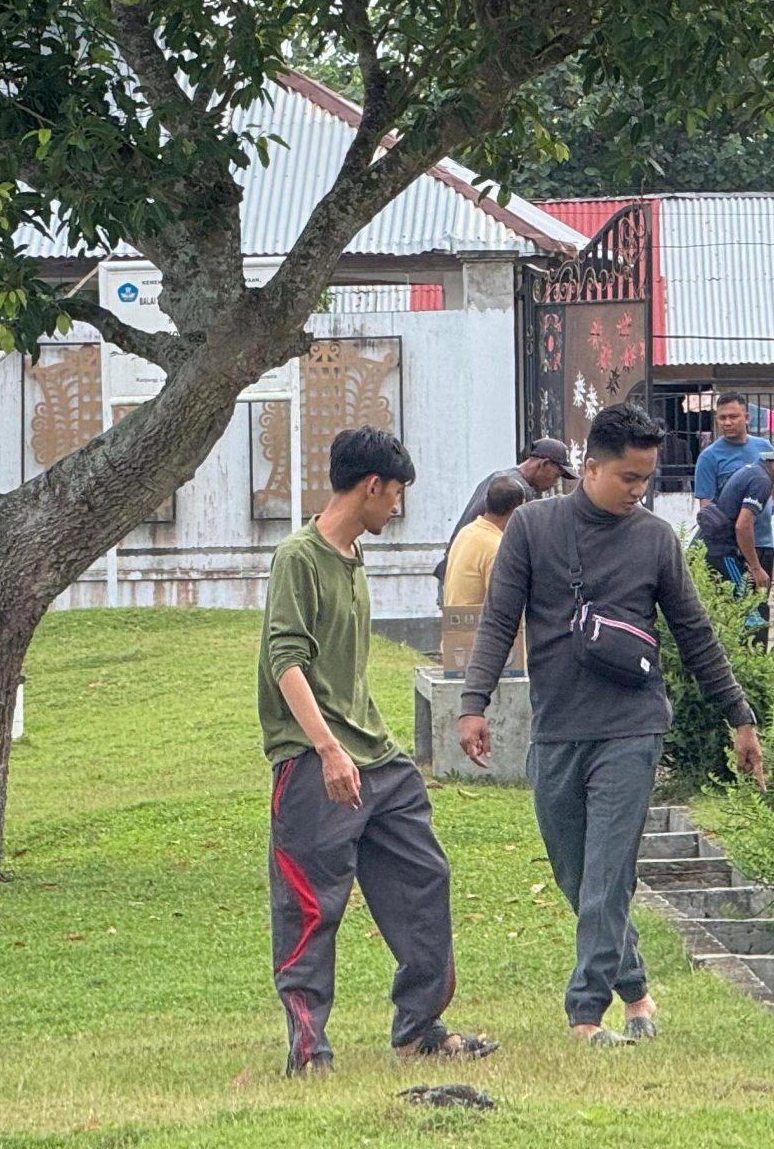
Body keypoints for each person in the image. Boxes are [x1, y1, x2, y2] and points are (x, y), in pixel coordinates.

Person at [457, 403, 766, 1046]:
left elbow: (695, 634)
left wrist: (741, 716)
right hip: (558, 727)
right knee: (577, 877)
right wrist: (473, 703)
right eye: (629, 477)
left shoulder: (655, 538)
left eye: (647, 478)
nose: (639, 490)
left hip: (632, 725)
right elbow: (496, 622)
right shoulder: (531, 529)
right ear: (590, 468)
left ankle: (584, 1016)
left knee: (606, 874)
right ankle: (639, 994)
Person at [261, 427, 494, 1075]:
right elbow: (286, 661)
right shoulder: (299, 557)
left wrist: (360, 744)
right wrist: (329, 751)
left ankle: (417, 1028)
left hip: (377, 757)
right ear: (370, 487)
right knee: (311, 905)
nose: (397, 507)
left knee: (425, 878)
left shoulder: (353, 555)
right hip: (314, 759)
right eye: (395, 495)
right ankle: (309, 1052)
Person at [696, 442, 774, 648]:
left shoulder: (751, 470)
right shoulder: (761, 480)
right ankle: (751, 659)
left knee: (739, 604)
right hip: (721, 551)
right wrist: (756, 567)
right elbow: (743, 525)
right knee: (750, 604)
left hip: (715, 547)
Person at [435, 437, 573, 589]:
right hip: (479, 577)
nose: (554, 482)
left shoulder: (498, 477)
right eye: (556, 475)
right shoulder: (520, 492)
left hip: (455, 570)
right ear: (544, 464)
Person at [444, 473, 527, 612]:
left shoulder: (467, 532)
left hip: (455, 626)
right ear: (517, 509)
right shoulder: (496, 546)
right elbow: (504, 604)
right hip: (479, 628)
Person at [692, 392, 772, 511]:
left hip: (762, 530)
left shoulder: (765, 447)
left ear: (747, 418)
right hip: (726, 528)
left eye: (733, 417)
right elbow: (706, 506)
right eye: (722, 418)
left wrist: (770, 508)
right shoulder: (708, 457)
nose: (727, 423)